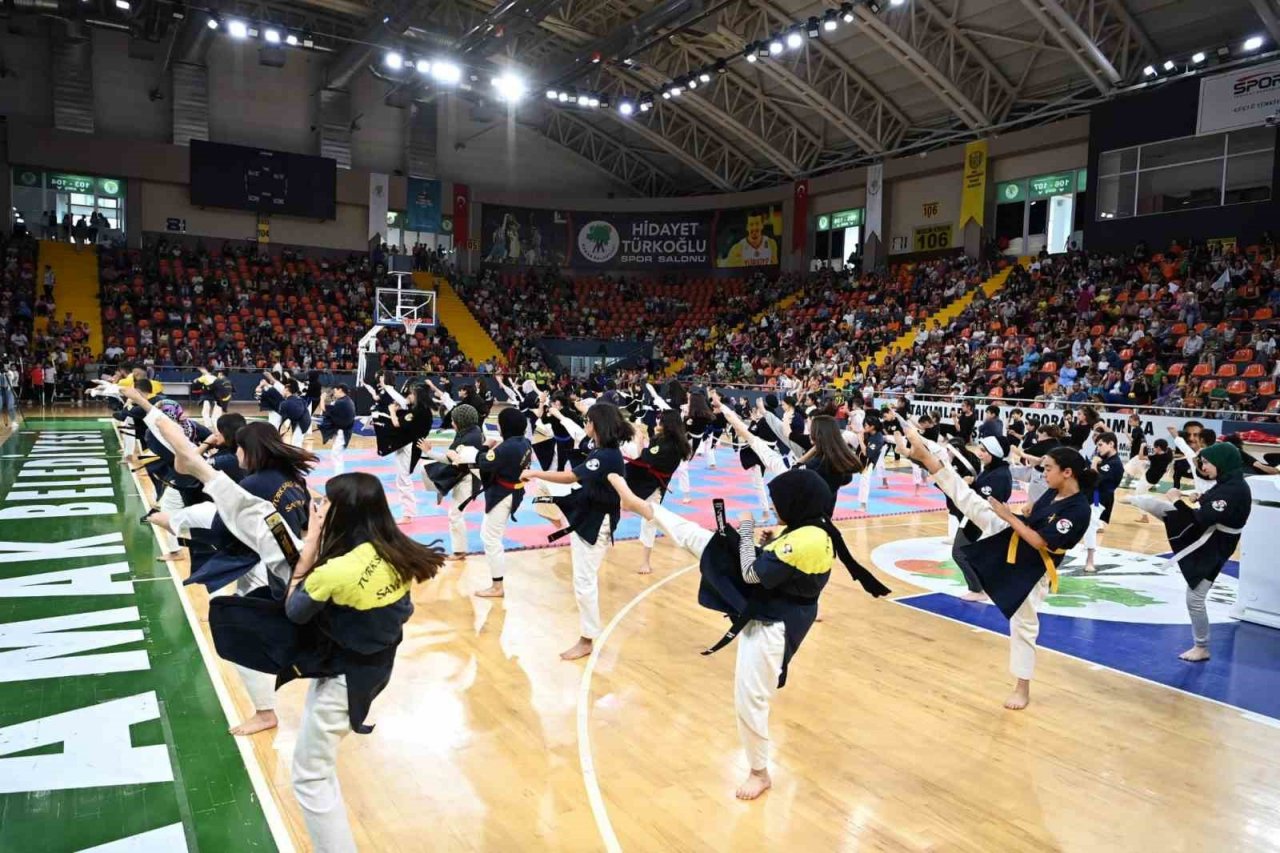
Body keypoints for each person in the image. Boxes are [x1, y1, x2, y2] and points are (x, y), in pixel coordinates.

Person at [153, 411, 442, 851]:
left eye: (326, 505)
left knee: (309, 777)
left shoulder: (331, 566)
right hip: (370, 660)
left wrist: (306, 562)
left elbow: (294, 611)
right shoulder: (399, 552)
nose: (317, 508)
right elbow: (402, 611)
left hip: (349, 672)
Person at [606, 467, 890, 799]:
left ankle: (760, 772)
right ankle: (640, 505)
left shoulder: (809, 538)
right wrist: (767, 541)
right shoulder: (811, 527)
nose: (774, 508)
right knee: (699, 538)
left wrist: (745, 531)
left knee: (750, 697)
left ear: (796, 502)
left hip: (775, 620)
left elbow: (752, 573)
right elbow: (783, 560)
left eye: (777, 502)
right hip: (773, 601)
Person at [893, 412, 1093, 711]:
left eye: (1049, 468)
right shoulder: (1052, 492)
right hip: (1014, 536)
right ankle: (932, 461)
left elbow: (1041, 541)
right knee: (972, 502)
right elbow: (1030, 519)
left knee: (1024, 625)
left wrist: (1009, 516)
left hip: (1034, 565)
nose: (1044, 472)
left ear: (1067, 473)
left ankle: (1022, 687)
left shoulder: (1079, 509)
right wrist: (1018, 515)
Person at [521, 402, 632, 661]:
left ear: (597, 425)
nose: (586, 425)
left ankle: (587, 639)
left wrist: (535, 472)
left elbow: (571, 477)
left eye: (589, 421)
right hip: (588, 513)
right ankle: (558, 517)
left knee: (584, 581)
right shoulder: (601, 450)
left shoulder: (606, 456)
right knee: (582, 579)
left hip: (597, 521)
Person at [1126, 443, 1252, 662]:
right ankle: (1142, 502)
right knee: (1172, 515)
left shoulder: (1233, 489)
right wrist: (1201, 498)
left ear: (1221, 462)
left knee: (1194, 597)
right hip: (1216, 538)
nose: (1204, 467)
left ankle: (1201, 647)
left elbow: (1202, 518)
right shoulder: (1230, 482)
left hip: (1215, 543)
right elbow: (1215, 502)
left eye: (1206, 463)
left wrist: (1176, 498)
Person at [473, 407, 534, 598]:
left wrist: (484, 447)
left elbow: (484, 462)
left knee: (491, 539)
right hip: (512, 491)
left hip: (503, 494)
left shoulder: (506, 448)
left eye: (500, 423)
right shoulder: (523, 442)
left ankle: (497, 586)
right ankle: (497, 584)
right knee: (489, 536)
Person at [624, 409, 692, 575]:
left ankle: (646, 561)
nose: (657, 423)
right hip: (643, 479)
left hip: (653, 485)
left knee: (651, 520)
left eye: (660, 421)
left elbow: (645, 457)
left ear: (666, 424)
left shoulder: (670, 446)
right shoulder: (668, 441)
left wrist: (640, 441)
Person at [951, 435, 1013, 603]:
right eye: (980, 449)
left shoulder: (999, 475)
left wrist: (968, 486)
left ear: (995, 453)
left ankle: (977, 589)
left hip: (980, 520)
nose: (979, 453)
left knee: (960, 552)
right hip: (976, 517)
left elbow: (984, 501)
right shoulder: (993, 469)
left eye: (984, 451)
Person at [419, 403, 484, 560]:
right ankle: (439, 488)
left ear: (460, 421)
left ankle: (460, 551)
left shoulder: (469, 438)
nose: (452, 423)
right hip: (463, 474)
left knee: (455, 514)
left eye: (453, 420)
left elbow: (450, 460)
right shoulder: (470, 431)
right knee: (426, 468)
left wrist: (429, 452)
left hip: (469, 478)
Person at [1081, 432, 1124, 574]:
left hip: (1099, 497)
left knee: (1091, 524)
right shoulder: (1104, 461)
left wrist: (1094, 463)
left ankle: (1090, 560)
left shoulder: (1115, 464)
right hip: (1091, 494)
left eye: (1100, 445)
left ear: (1111, 444)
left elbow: (1094, 479)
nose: (1098, 448)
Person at [317, 385, 356, 474]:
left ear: (340, 390)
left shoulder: (342, 402)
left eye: (335, 391)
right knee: (337, 455)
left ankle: (339, 477)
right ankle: (339, 476)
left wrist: (322, 398)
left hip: (343, 432)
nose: (334, 393)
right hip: (342, 430)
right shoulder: (347, 400)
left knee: (336, 455)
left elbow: (323, 409)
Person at [0, 362, 17, 430]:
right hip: (0, 390)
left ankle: (13, 421)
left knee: (10, 406)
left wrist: (6, 373)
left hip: (8, 390)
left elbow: (12, 379)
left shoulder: (10, 372)